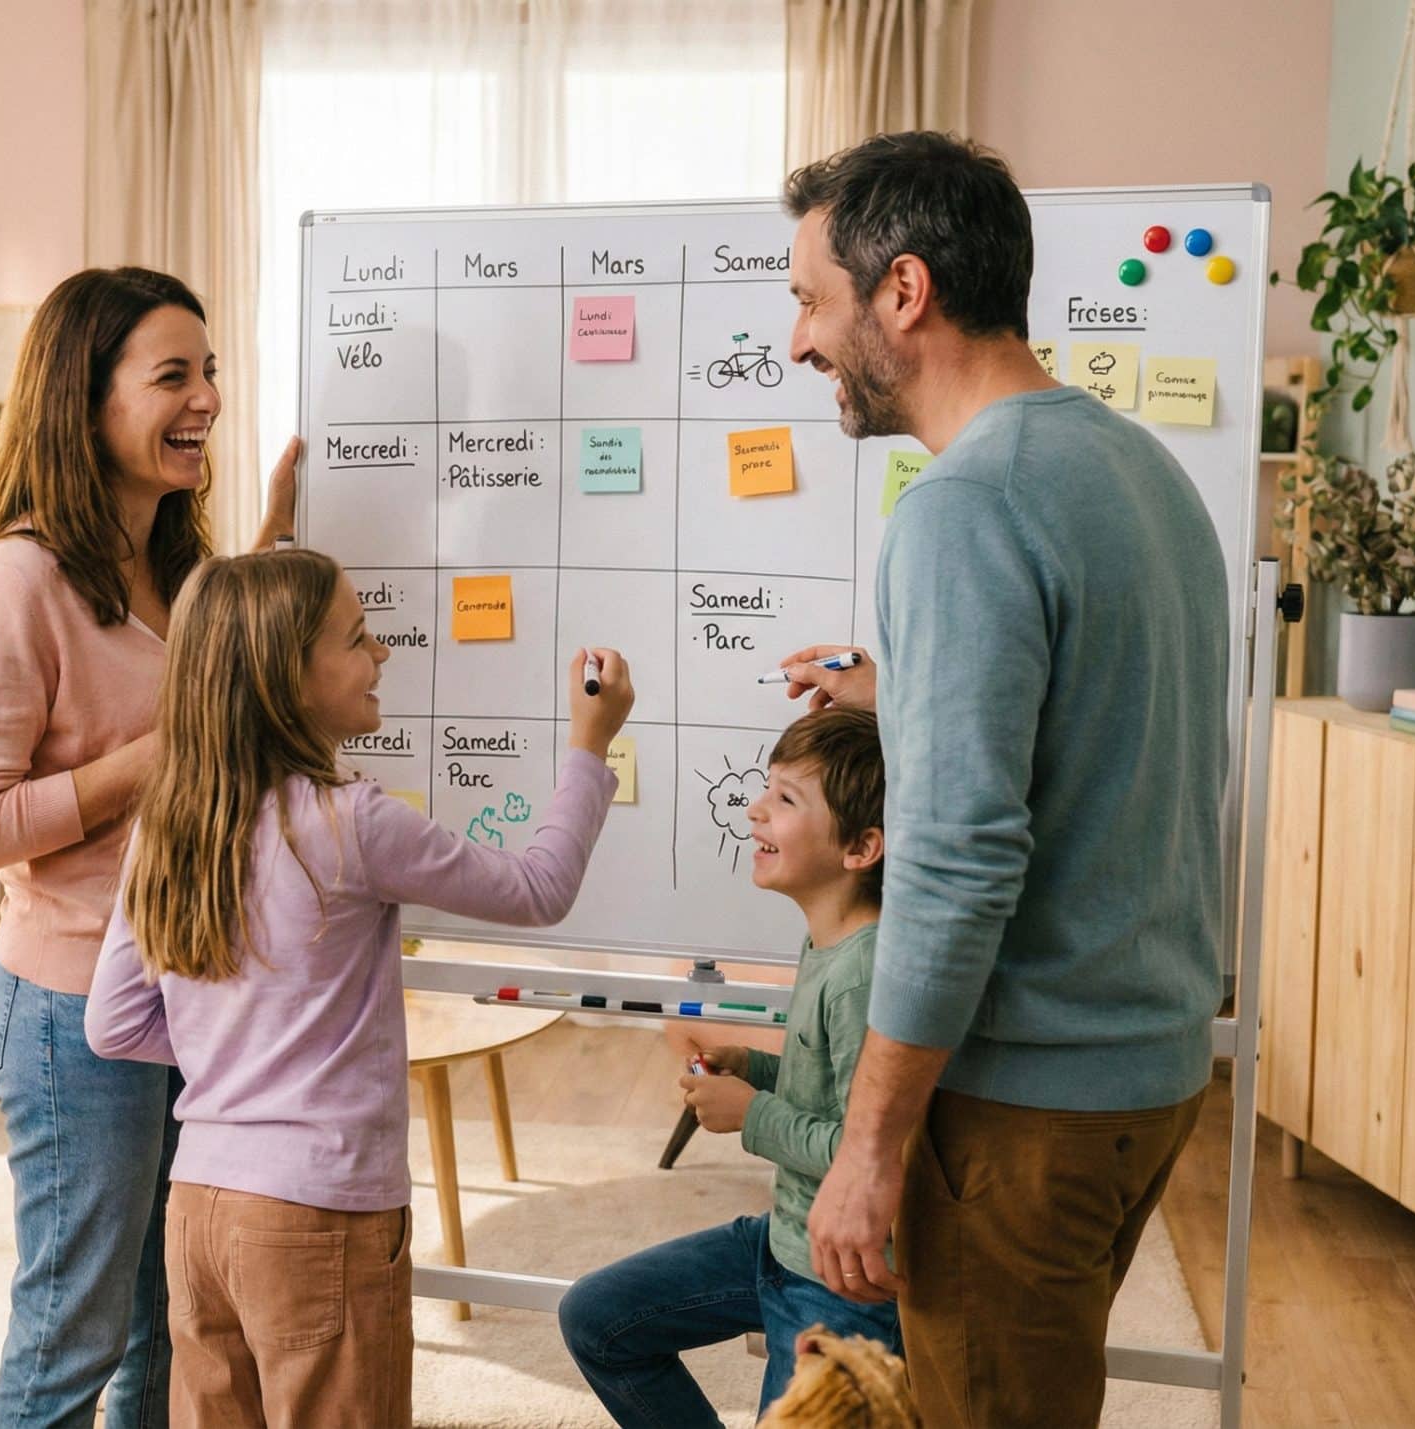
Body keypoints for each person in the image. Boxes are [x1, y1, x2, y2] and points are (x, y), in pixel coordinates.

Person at [775, 132, 1230, 1427]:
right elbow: (1105, 723)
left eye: (811, 300)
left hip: (1025, 1104)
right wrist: (910, 693)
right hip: (1147, 1072)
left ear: (902, 291)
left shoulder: (961, 506)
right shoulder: (1139, 470)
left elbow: (959, 863)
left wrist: (867, 1148)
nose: (799, 342)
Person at [84, 549, 634, 1428]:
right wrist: (589, 745)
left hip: (198, 1210)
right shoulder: (351, 822)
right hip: (319, 1213)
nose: (382, 653)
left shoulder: (169, 822)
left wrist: (240, 1050)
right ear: (289, 677)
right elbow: (539, 888)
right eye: (358, 638)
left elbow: (113, 1024)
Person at [0, 266, 300, 1429]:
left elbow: (206, 695)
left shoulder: (178, 566)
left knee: (169, 1320)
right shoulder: (16, 582)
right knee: (74, 1328)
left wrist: (269, 554)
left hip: (186, 989)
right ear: (84, 402)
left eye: (210, 373)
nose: (208, 400)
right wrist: (159, 750)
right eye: (172, 376)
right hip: (70, 1008)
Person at [558, 707, 899, 1426]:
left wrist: (752, 1115)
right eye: (766, 789)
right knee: (596, 1319)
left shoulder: (863, 973)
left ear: (861, 847)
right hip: (781, 1242)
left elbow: (869, 1152)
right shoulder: (828, 944)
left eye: (786, 798)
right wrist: (755, 1068)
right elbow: (835, 1092)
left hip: (838, 1284)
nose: (755, 808)